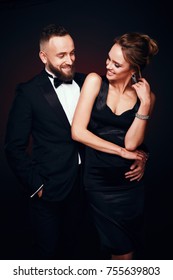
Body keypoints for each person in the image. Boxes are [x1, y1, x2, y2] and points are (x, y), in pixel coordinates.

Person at [4, 24, 147, 260]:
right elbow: (14, 147)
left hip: (89, 186)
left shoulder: (90, 82)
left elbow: (116, 126)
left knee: (81, 250)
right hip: (50, 188)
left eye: (72, 53)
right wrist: (37, 187)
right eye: (61, 55)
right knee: (48, 254)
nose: (70, 60)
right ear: (43, 56)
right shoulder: (28, 92)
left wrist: (142, 155)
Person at [71, 32, 159, 260]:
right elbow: (78, 132)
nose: (108, 65)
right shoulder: (94, 81)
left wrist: (146, 103)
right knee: (121, 252)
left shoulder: (146, 97)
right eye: (108, 59)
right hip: (99, 182)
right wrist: (121, 151)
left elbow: (132, 142)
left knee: (125, 252)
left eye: (116, 64)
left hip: (129, 185)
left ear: (134, 69)